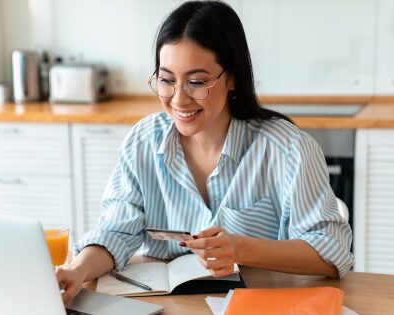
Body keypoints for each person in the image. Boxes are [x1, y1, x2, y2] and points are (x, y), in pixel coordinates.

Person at [56, 0, 354, 304]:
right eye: (167, 80)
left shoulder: (289, 149)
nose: (179, 101)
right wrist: (77, 271)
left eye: (196, 82)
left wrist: (239, 247)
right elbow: (116, 231)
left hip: (258, 305)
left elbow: (333, 253)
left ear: (232, 77)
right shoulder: (143, 141)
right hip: (167, 306)